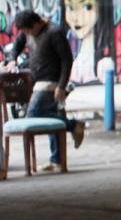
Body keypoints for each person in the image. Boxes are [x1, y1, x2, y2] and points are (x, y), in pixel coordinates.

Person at [8, 10, 86, 172]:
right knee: (53, 117)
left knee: (33, 115)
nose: (27, 34)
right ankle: (56, 160)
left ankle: (74, 125)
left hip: (51, 82)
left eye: (28, 30)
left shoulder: (54, 32)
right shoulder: (28, 32)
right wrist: (12, 59)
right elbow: (17, 45)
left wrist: (61, 86)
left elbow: (67, 59)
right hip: (37, 81)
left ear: (36, 24)